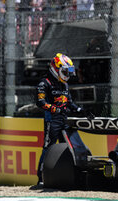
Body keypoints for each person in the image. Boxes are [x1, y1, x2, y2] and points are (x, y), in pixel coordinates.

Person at [36, 53, 84, 185]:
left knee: (69, 147)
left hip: (65, 119)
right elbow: (40, 102)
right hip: (52, 120)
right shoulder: (44, 83)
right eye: (65, 72)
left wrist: (79, 110)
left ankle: (71, 176)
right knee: (48, 147)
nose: (67, 75)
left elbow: (69, 102)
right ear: (55, 69)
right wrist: (55, 109)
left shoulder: (65, 85)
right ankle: (41, 177)